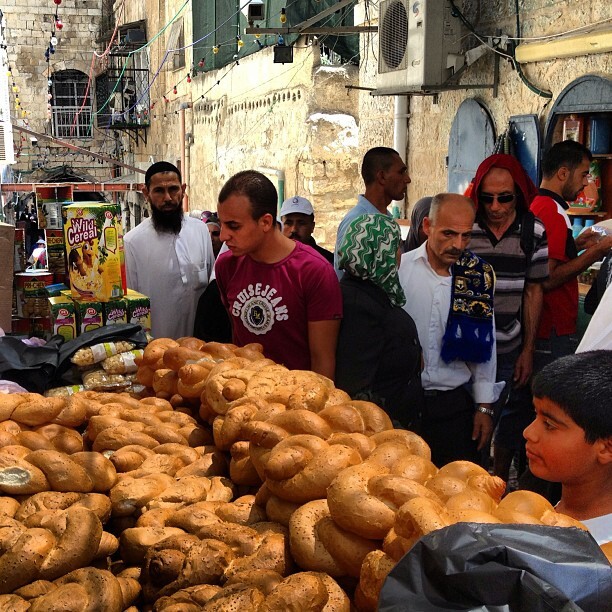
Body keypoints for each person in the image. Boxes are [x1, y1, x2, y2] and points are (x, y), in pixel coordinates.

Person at [399, 193, 499, 468]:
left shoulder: (477, 277)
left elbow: (484, 347)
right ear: (427, 226)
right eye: (449, 233)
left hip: (453, 407)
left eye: (466, 236)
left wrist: (484, 406)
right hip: (404, 403)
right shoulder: (401, 270)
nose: (458, 244)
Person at [467, 154, 548, 484]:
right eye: (487, 198)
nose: (496, 206)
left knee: (491, 418)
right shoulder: (465, 228)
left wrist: (527, 350)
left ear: (518, 193)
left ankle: (489, 480)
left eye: (504, 198)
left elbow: (533, 291)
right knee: (464, 422)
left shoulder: (533, 231)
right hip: (463, 347)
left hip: (506, 347)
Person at [215, 170, 342, 379]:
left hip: (294, 400)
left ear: (265, 222)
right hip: (241, 395)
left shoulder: (314, 271)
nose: (223, 235)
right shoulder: (226, 266)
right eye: (221, 224)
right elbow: (236, 335)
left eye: (233, 226)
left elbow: (323, 360)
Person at [335, 214, 423, 430]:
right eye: (395, 248)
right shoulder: (358, 305)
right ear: (381, 253)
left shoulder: (371, 293)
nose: (399, 255)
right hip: (380, 433)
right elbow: (356, 386)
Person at [530, 140, 612, 362]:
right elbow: (548, 277)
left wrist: (575, 245)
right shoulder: (552, 212)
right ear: (563, 173)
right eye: (584, 175)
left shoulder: (539, 204)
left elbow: (543, 256)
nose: (586, 183)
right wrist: (596, 252)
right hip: (552, 326)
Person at [523, 351, 612, 548]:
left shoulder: (602, 553)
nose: (528, 432)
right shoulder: (531, 510)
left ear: (606, 447)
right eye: (534, 415)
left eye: (549, 424)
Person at [124, 161, 215, 339]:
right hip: (157, 350)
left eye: (173, 189)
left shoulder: (201, 231)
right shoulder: (132, 242)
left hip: (199, 348)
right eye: (159, 191)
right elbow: (132, 306)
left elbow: (210, 290)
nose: (167, 198)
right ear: (146, 193)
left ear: (183, 190)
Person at [334, 147, 411, 275]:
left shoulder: (387, 219)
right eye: (401, 172)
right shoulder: (357, 223)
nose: (407, 179)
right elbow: (346, 284)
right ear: (381, 177)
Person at [280, 195, 334, 264]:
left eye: (301, 223)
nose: (294, 229)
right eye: (288, 223)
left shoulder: (327, 261)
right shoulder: (270, 259)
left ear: (312, 227)